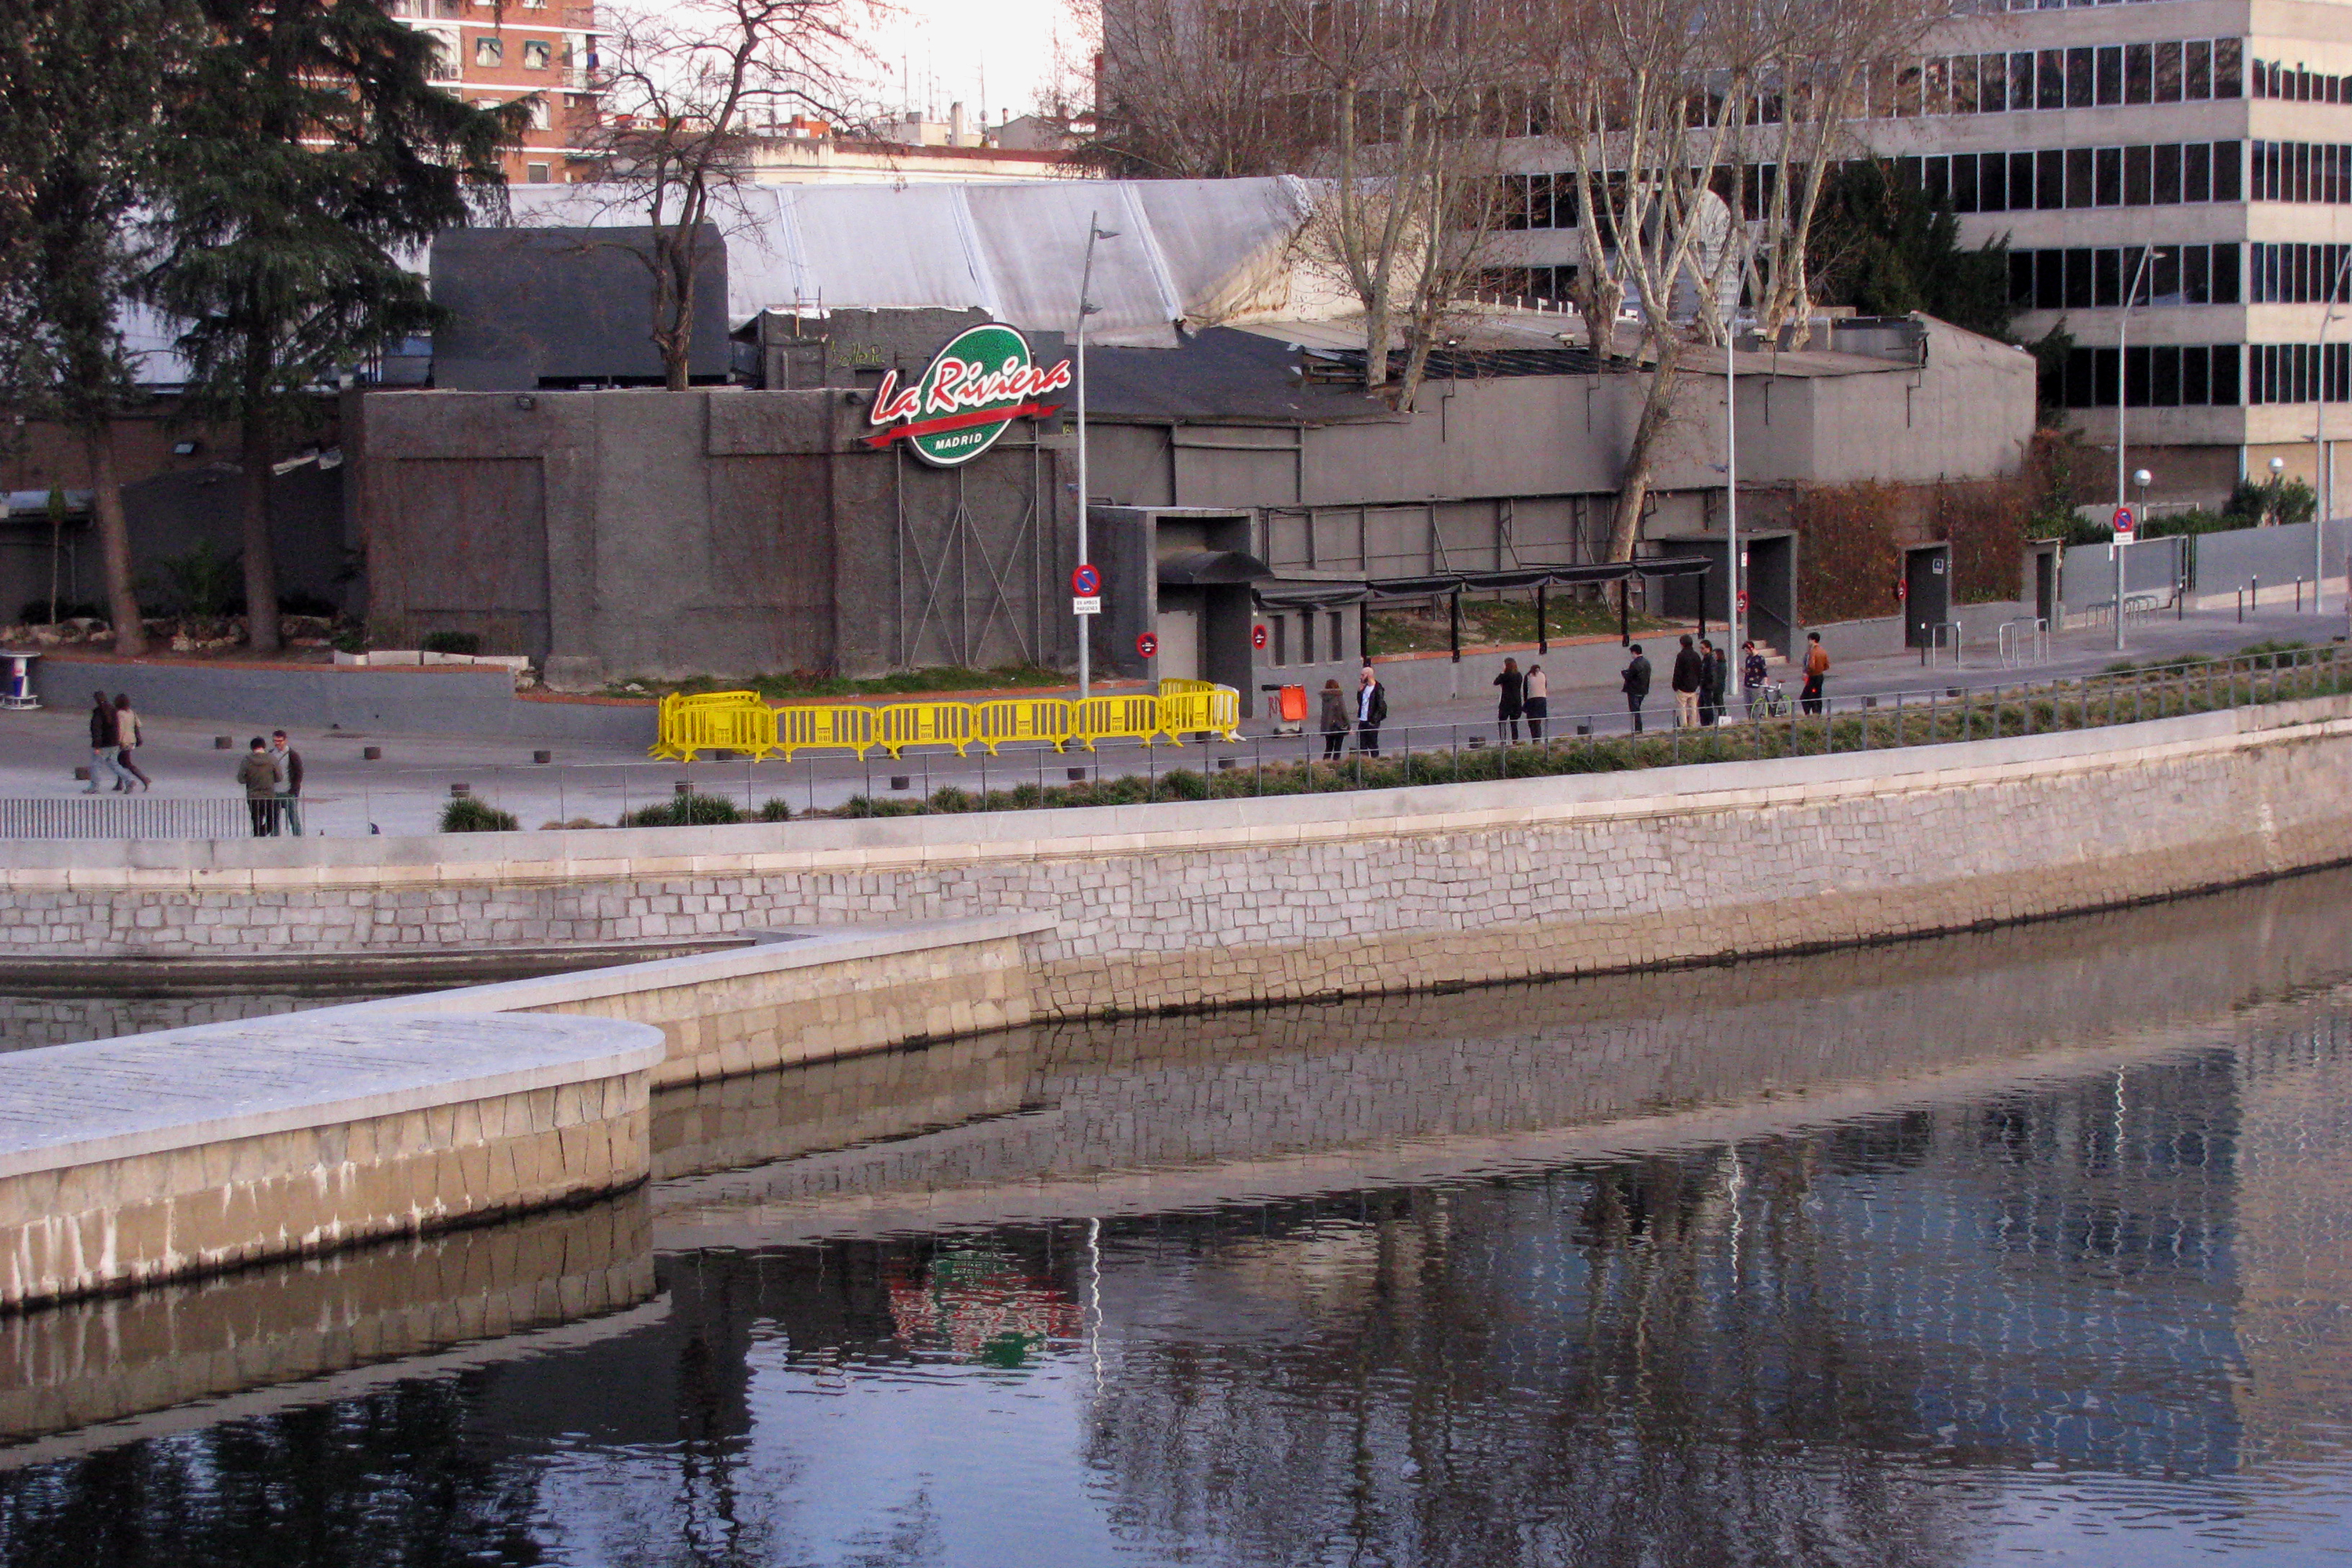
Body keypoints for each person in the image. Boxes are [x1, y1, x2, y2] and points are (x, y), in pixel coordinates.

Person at [85, 691, 131, 792]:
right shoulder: (113, 710)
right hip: (114, 743)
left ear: (96, 700)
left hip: (103, 744)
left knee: (96, 765)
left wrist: (97, 745)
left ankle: (94, 787)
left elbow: (96, 730)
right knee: (114, 764)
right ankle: (129, 780)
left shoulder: (98, 712)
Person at [237, 737, 279, 837]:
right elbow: (279, 777)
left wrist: (251, 779)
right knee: (272, 821)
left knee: (256, 820)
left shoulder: (247, 760)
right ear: (264, 746)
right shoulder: (272, 759)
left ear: (252, 748)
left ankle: (257, 837)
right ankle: (262, 834)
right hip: (269, 795)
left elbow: (241, 779)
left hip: (253, 796)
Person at [270, 729, 305, 836]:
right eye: (275, 741)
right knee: (274, 819)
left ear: (285, 741)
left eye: (279, 741)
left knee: (293, 817)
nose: (277, 743)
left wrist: (293, 789)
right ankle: (274, 839)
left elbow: (299, 773)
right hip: (274, 792)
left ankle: (298, 837)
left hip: (288, 792)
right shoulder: (271, 754)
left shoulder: (292, 755)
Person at [111, 694, 151, 790]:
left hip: (122, 741)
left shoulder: (118, 714)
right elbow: (137, 726)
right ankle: (119, 784)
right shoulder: (132, 713)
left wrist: (117, 741)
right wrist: (138, 738)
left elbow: (119, 728)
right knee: (120, 762)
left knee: (125, 763)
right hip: (131, 740)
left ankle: (144, 779)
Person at [1355, 666, 1388, 757]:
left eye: (1363, 675)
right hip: (1363, 720)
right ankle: (1365, 763)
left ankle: (1375, 761)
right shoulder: (1365, 688)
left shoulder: (1377, 688)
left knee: (1372, 743)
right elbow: (1361, 703)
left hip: (1371, 721)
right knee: (1362, 744)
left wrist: (1374, 721)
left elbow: (1380, 706)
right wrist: (1359, 692)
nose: (1361, 677)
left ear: (1368, 675)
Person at [1670, 633, 1702, 728]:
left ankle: (1684, 727)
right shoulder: (1696, 655)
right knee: (1693, 709)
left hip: (1682, 687)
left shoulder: (1681, 656)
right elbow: (1700, 670)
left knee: (1682, 708)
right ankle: (1693, 726)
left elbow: (1678, 671)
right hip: (1693, 687)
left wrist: (1675, 685)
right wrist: (1697, 683)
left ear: (1682, 644)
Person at [1493, 656, 1526, 743]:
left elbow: (1496, 682)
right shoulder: (1519, 675)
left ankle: (1503, 740)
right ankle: (1515, 740)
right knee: (1514, 723)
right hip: (1516, 702)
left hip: (1506, 702)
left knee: (1502, 722)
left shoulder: (1506, 675)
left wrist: (1502, 673)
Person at [1621, 643, 1651, 733]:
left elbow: (1629, 676)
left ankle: (1638, 729)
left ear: (1634, 653)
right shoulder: (1647, 663)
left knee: (1635, 710)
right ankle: (1638, 729)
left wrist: (1623, 673)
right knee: (1637, 709)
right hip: (1643, 689)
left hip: (1634, 690)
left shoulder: (1634, 664)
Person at [1318, 677, 1350, 761]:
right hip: (1339, 726)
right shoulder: (1338, 696)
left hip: (1328, 726)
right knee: (1337, 748)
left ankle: (1325, 764)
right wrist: (1349, 726)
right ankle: (1336, 764)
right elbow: (1344, 712)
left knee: (1329, 747)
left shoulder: (1325, 698)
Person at [1800, 631, 1830, 714]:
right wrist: (1820, 669)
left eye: (1809, 640)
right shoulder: (1823, 651)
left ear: (1812, 640)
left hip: (1813, 676)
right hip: (1820, 676)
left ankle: (1808, 714)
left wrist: (1807, 672)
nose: (1808, 642)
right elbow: (1827, 666)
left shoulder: (1812, 652)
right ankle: (1817, 713)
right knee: (1817, 695)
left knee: (1804, 697)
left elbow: (1811, 666)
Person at [1697, 638, 1722, 727]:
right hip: (1704, 686)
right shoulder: (1706, 659)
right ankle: (1705, 723)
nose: (1701, 650)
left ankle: (1709, 723)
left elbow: (1712, 674)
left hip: (1708, 687)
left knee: (1707, 706)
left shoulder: (1710, 659)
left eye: (1702, 648)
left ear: (1708, 648)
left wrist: (1710, 686)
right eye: (1700, 648)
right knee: (1701, 705)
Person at [1741, 640, 1769, 716]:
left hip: (1756, 685)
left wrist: (1765, 682)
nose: (1746, 652)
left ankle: (1756, 722)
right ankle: (1750, 721)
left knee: (1756, 706)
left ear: (1751, 648)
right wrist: (1744, 671)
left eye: (1747, 650)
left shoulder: (1760, 659)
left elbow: (1764, 672)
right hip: (1747, 684)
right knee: (1748, 706)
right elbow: (1749, 670)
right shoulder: (1748, 658)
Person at [1523, 663, 1548, 742]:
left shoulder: (1528, 676)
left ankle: (1534, 738)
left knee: (1531, 721)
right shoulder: (1543, 675)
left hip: (1532, 700)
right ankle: (1538, 738)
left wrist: (1525, 702)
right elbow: (1545, 687)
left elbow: (1525, 691)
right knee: (1538, 721)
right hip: (1542, 700)